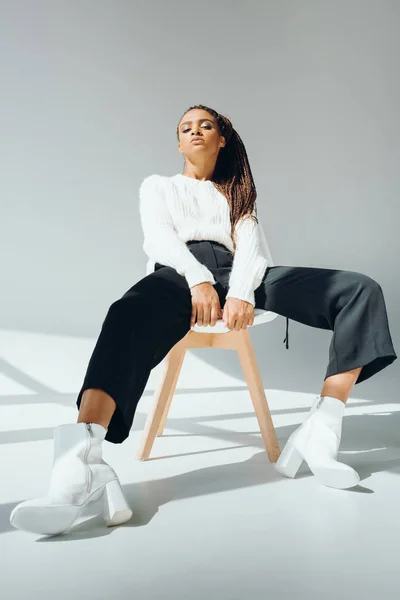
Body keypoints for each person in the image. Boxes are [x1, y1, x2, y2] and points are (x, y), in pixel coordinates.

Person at [10, 104, 397, 536]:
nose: (195, 131)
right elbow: (159, 238)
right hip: (178, 271)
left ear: (222, 138)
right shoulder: (158, 187)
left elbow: (251, 249)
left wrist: (241, 293)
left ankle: (322, 426)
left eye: (205, 125)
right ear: (178, 144)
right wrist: (198, 281)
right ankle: (82, 463)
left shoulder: (237, 194)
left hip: (239, 272)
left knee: (360, 290)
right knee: (125, 314)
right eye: (185, 128)